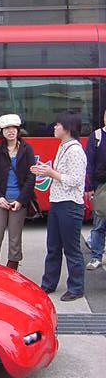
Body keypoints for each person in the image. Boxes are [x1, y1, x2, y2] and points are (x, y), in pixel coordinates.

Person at [31, 112, 87, 302]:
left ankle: (76, 287)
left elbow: (75, 180)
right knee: (53, 246)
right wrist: (44, 171)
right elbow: (60, 175)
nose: (54, 127)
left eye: (58, 125)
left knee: (71, 249)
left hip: (70, 204)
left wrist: (51, 173)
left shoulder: (75, 150)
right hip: (57, 202)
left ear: (68, 128)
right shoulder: (63, 146)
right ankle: (48, 283)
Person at [0, 114, 36, 270]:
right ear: (2, 131)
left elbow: (31, 176)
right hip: (0, 200)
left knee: (15, 237)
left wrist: (21, 200)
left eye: (14, 128)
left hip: (18, 201)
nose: (11, 131)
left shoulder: (26, 149)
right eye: (7, 128)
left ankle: (13, 267)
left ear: (18, 130)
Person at [84, 109, 106, 270]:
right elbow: (89, 163)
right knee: (99, 223)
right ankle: (96, 257)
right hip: (101, 187)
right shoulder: (97, 136)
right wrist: (90, 187)